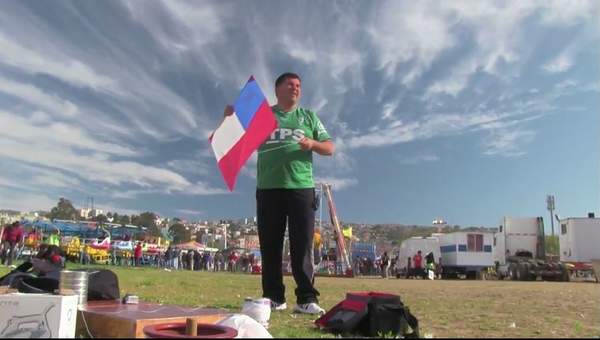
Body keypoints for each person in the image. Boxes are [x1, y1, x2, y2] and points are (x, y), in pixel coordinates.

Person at [223, 72, 334, 315]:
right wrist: (230, 119)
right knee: (270, 246)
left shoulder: (309, 117)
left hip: (301, 189)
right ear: (277, 89)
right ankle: (274, 297)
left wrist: (312, 144)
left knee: (302, 245)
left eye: (298, 86)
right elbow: (235, 135)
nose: (295, 88)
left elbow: (329, 147)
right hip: (268, 189)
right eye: (290, 84)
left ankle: (306, 298)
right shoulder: (262, 116)